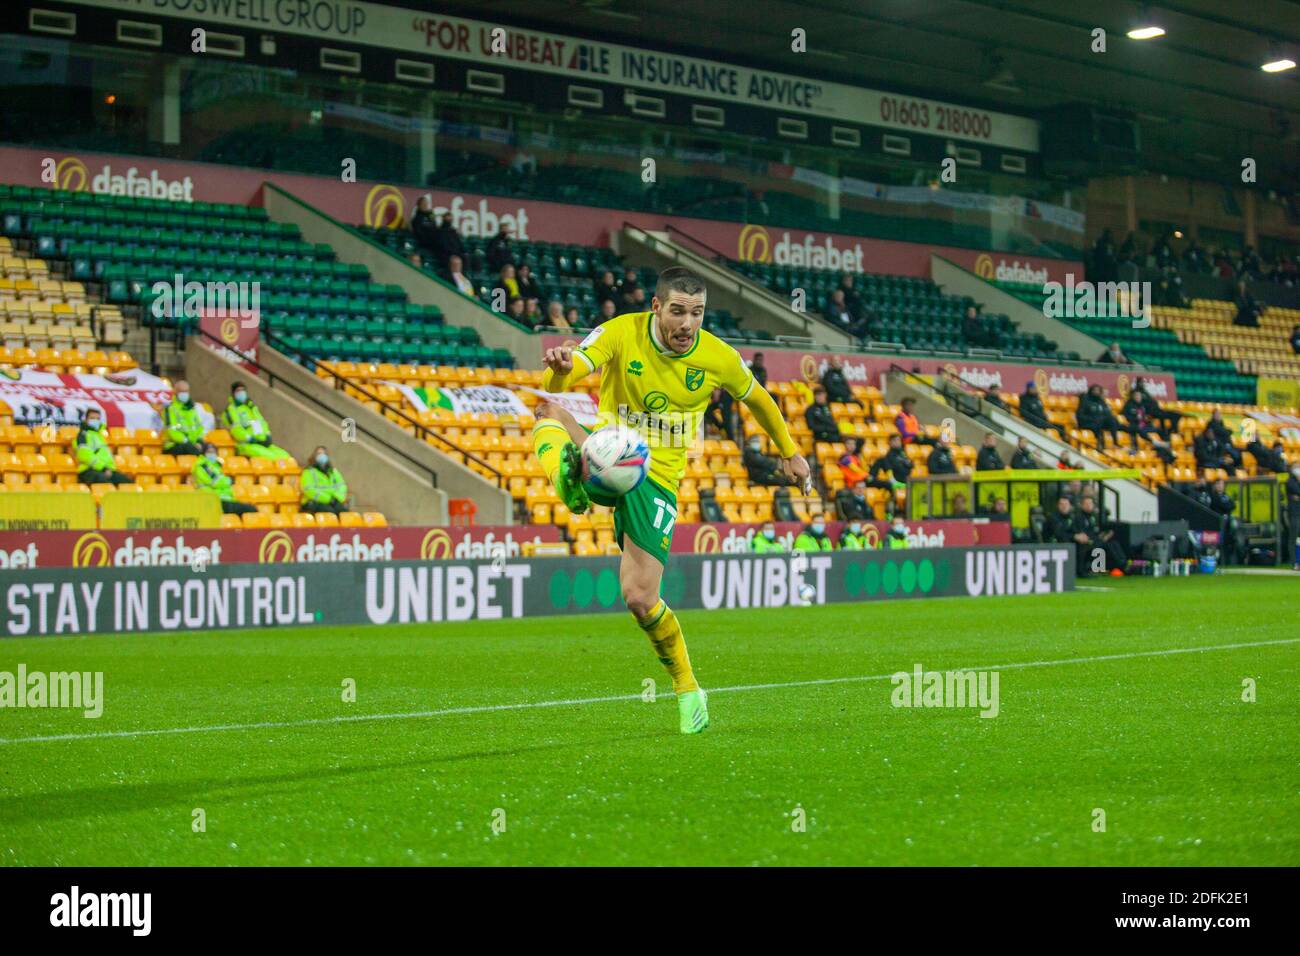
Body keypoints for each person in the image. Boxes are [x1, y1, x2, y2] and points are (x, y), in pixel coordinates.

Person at [530, 266, 811, 734]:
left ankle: (687, 687)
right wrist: (562, 368)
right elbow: (569, 372)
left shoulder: (717, 356)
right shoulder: (623, 331)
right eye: (678, 311)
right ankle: (574, 481)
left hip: (655, 478)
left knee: (640, 598)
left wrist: (791, 452)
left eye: (696, 313)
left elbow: (759, 399)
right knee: (547, 410)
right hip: (611, 447)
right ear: (657, 307)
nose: (687, 324)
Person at [223, 382, 290, 460]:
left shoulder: (251, 407)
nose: (241, 393)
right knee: (272, 458)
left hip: (262, 442)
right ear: (233, 394)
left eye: (243, 390)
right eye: (238, 391)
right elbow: (236, 430)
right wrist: (250, 439)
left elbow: (262, 422)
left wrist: (268, 435)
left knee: (286, 457)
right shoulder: (231, 410)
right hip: (246, 444)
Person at [192, 441, 255, 515]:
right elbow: (215, 482)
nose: (212, 454)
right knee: (250, 509)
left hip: (224, 499)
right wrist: (229, 480)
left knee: (250, 509)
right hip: (212, 499)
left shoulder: (216, 466)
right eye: (209, 452)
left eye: (214, 452)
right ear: (204, 453)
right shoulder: (203, 465)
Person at [74, 408, 131, 485]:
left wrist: (108, 469)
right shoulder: (83, 435)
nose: (95, 421)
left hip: (105, 470)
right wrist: (103, 468)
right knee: (106, 484)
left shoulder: (100, 436)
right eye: (92, 418)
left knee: (127, 482)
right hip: (88, 470)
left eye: (97, 419)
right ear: (86, 420)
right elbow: (85, 456)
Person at [1121, 387, 1175, 463]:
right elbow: (1125, 416)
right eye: (1136, 396)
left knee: (1162, 430)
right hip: (1135, 426)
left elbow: (1153, 408)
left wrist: (1148, 418)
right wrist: (1135, 418)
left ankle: (1169, 450)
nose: (1138, 397)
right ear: (1133, 396)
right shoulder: (1129, 405)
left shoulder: (1143, 405)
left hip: (1145, 425)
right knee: (1139, 430)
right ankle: (1155, 443)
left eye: (1139, 396)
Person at [1076, 495, 1126, 575]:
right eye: (1086, 504)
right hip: (1088, 543)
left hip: (1096, 540)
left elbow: (1097, 531)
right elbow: (1084, 533)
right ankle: (1121, 566)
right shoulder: (1079, 518)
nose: (1088, 506)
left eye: (1090, 504)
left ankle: (1124, 563)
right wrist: (1099, 538)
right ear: (1082, 505)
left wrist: (1104, 535)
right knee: (1107, 545)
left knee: (1114, 543)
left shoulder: (1093, 517)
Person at [161, 379, 205, 457]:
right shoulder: (169, 409)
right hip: (174, 445)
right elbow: (172, 432)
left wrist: (199, 441)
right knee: (193, 450)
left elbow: (199, 428)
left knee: (210, 448)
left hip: (191, 444)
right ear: (175, 392)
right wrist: (187, 442)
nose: (184, 394)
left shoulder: (191, 409)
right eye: (181, 391)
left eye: (186, 391)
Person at [300, 446, 349, 515]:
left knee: (344, 512)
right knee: (330, 513)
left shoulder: (333, 472)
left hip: (334, 501)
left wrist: (337, 498)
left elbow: (342, 486)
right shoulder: (308, 472)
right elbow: (309, 490)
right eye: (319, 453)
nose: (322, 456)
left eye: (324, 454)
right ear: (314, 456)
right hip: (314, 502)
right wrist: (329, 499)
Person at [1077, 384, 1121, 450]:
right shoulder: (1085, 401)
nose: (1096, 392)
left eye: (1098, 390)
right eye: (1095, 390)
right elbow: (1080, 416)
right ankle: (1100, 446)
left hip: (1099, 421)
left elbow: (1106, 413)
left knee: (1112, 420)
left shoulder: (1100, 401)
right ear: (1091, 391)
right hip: (1087, 423)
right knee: (1098, 425)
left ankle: (1115, 443)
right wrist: (1093, 419)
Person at [1286, 463, 1300, 571]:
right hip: (1294, 513)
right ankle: (1294, 562)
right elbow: (1297, 491)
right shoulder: (1290, 481)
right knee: (1293, 537)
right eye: (1296, 467)